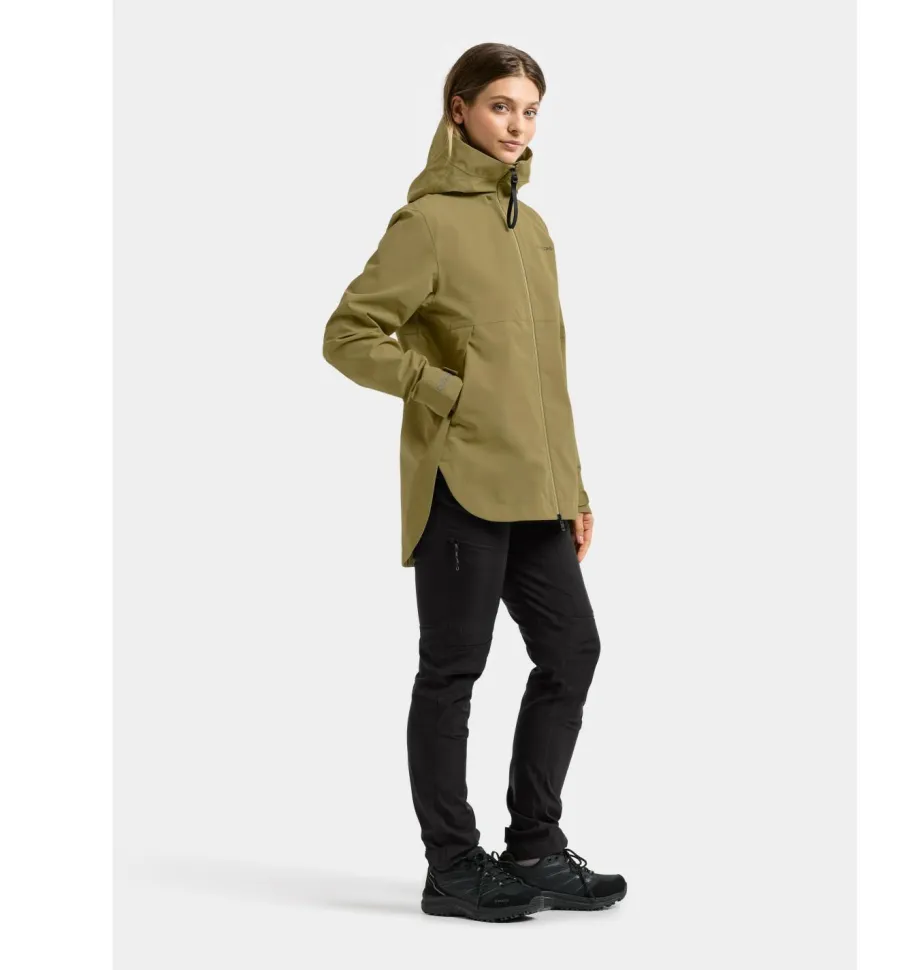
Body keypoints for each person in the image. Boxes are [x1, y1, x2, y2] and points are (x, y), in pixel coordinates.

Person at [322, 42, 626, 922]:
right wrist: (441, 390)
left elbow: (548, 376)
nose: (517, 125)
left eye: (530, 111)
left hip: (536, 488)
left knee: (571, 652)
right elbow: (348, 333)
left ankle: (534, 846)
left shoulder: (532, 228)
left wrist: (574, 488)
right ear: (458, 109)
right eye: (500, 106)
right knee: (453, 670)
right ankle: (453, 865)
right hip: (461, 482)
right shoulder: (426, 224)